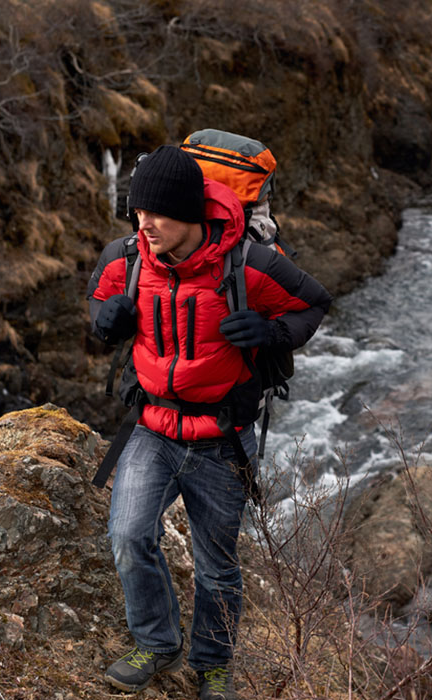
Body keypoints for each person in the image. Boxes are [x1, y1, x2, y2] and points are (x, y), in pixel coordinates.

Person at [86, 144, 331, 699]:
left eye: (158, 215)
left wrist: (274, 333)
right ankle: (156, 643)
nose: (144, 225)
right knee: (127, 534)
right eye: (138, 213)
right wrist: (106, 321)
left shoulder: (252, 264)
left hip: (222, 439)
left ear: (193, 216)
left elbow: (313, 303)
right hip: (151, 427)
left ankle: (213, 666)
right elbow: (97, 304)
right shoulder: (124, 259)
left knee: (216, 568)